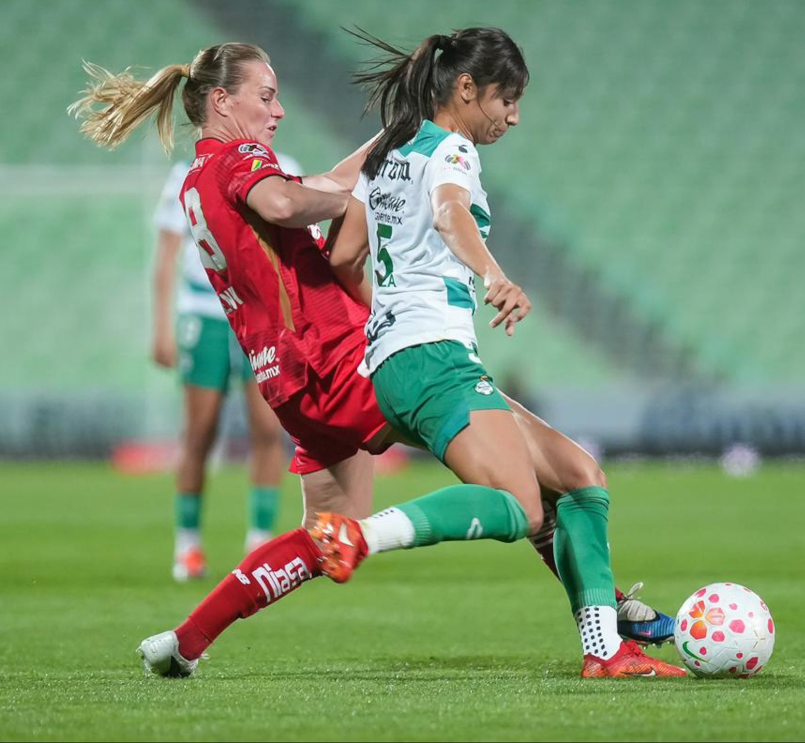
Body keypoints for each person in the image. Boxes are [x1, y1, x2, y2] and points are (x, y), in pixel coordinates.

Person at [68, 43, 678, 679]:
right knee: (537, 490)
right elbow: (290, 202)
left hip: (292, 387)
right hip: (342, 359)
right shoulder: (244, 159)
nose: (277, 112)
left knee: (326, 533)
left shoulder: (195, 180)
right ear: (222, 102)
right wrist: (382, 188)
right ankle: (606, 626)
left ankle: (185, 640)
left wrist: (382, 160)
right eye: (266, 96)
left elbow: (333, 223)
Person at [152, 152, 299, 581]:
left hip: (260, 313)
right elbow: (167, 254)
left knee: (268, 429)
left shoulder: (279, 164)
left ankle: (259, 544)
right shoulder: (186, 173)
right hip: (205, 312)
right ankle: (188, 545)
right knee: (200, 431)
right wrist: (162, 327)